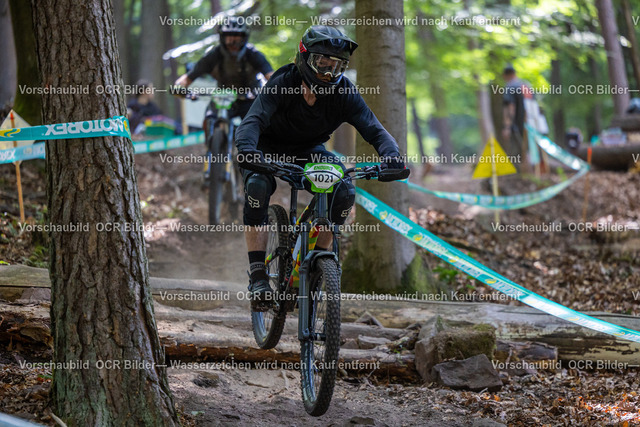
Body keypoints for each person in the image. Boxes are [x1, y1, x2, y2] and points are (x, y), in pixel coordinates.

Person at [234, 25, 407, 311]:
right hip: (265, 148)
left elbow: (374, 130)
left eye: (337, 66)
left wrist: (392, 157)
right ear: (304, 58)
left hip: (309, 151)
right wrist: (248, 151)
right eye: (322, 63)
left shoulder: (344, 92)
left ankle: (317, 260)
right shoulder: (283, 82)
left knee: (343, 190)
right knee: (257, 186)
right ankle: (258, 275)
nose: (329, 72)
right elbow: (252, 122)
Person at [174, 16, 273, 141]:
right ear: (222, 38)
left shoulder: (253, 54)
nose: (233, 43)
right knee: (209, 118)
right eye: (229, 38)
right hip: (223, 97)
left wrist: (278, 90)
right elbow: (188, 78)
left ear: (244, 38)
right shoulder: (213, 55)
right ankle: (211, 146)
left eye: (237, 38)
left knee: (259, 127)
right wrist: (179, 87)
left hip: (250, 97)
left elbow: (271, 76)